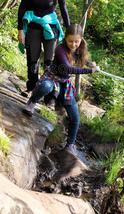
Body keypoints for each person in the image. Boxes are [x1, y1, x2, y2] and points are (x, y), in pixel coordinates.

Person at [22, 24, 99, 155]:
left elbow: (83, 59)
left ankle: (70, 144)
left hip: (65, 83)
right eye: (70, 41)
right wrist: (89, 70)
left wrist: (90, 64)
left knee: (75, 117)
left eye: (76, 41)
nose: (73, 44)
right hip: (52, 77)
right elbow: (68, 69)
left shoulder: (79, 50)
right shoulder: (60, 49)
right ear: (65, 39)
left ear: (81, 39)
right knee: (46, 86)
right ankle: (32, 102)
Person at [18, 0, 70, 102]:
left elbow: (64, 11)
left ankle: (49, 97)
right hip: (33, 26)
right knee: (32, 60)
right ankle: (31, 89)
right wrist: (20, 29)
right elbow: (22, 7)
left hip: (50, 28)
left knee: (50, 63)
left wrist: (70, 30)